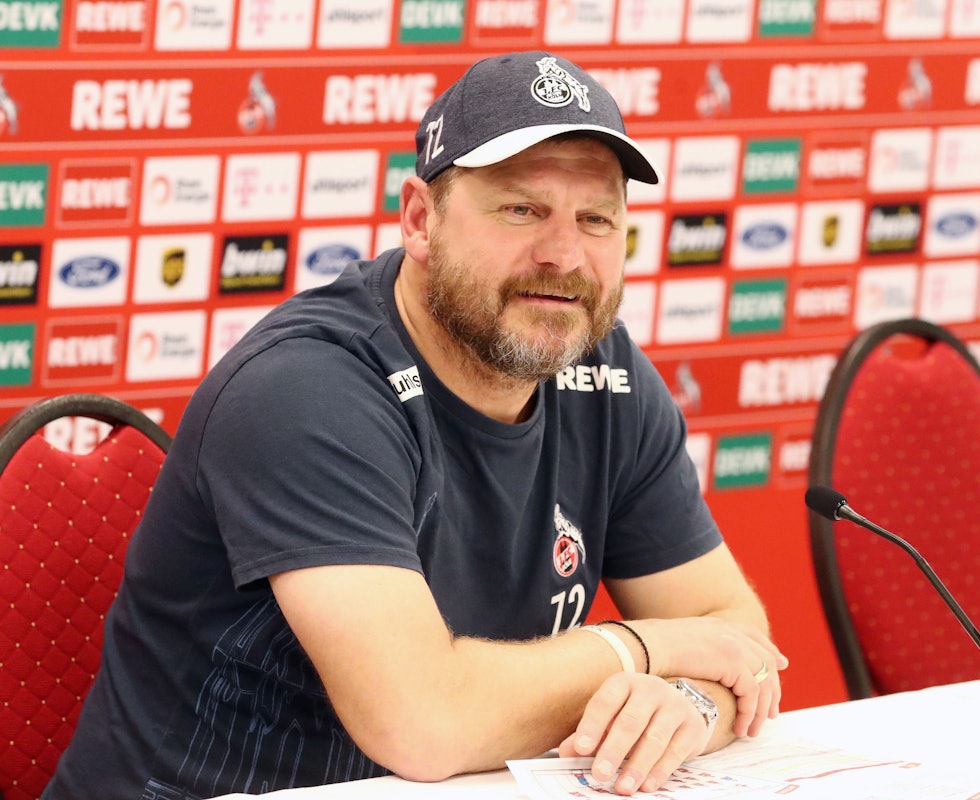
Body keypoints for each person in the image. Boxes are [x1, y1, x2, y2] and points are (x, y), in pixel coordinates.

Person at [43, 51, 788, 800]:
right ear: (419, 220)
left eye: (594, 219)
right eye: (521, 209)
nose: (563, 256)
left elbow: (737, 640)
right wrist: (644, 649)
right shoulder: (306, 387)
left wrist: (690, 702)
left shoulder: (607, 374)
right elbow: (424, 723)